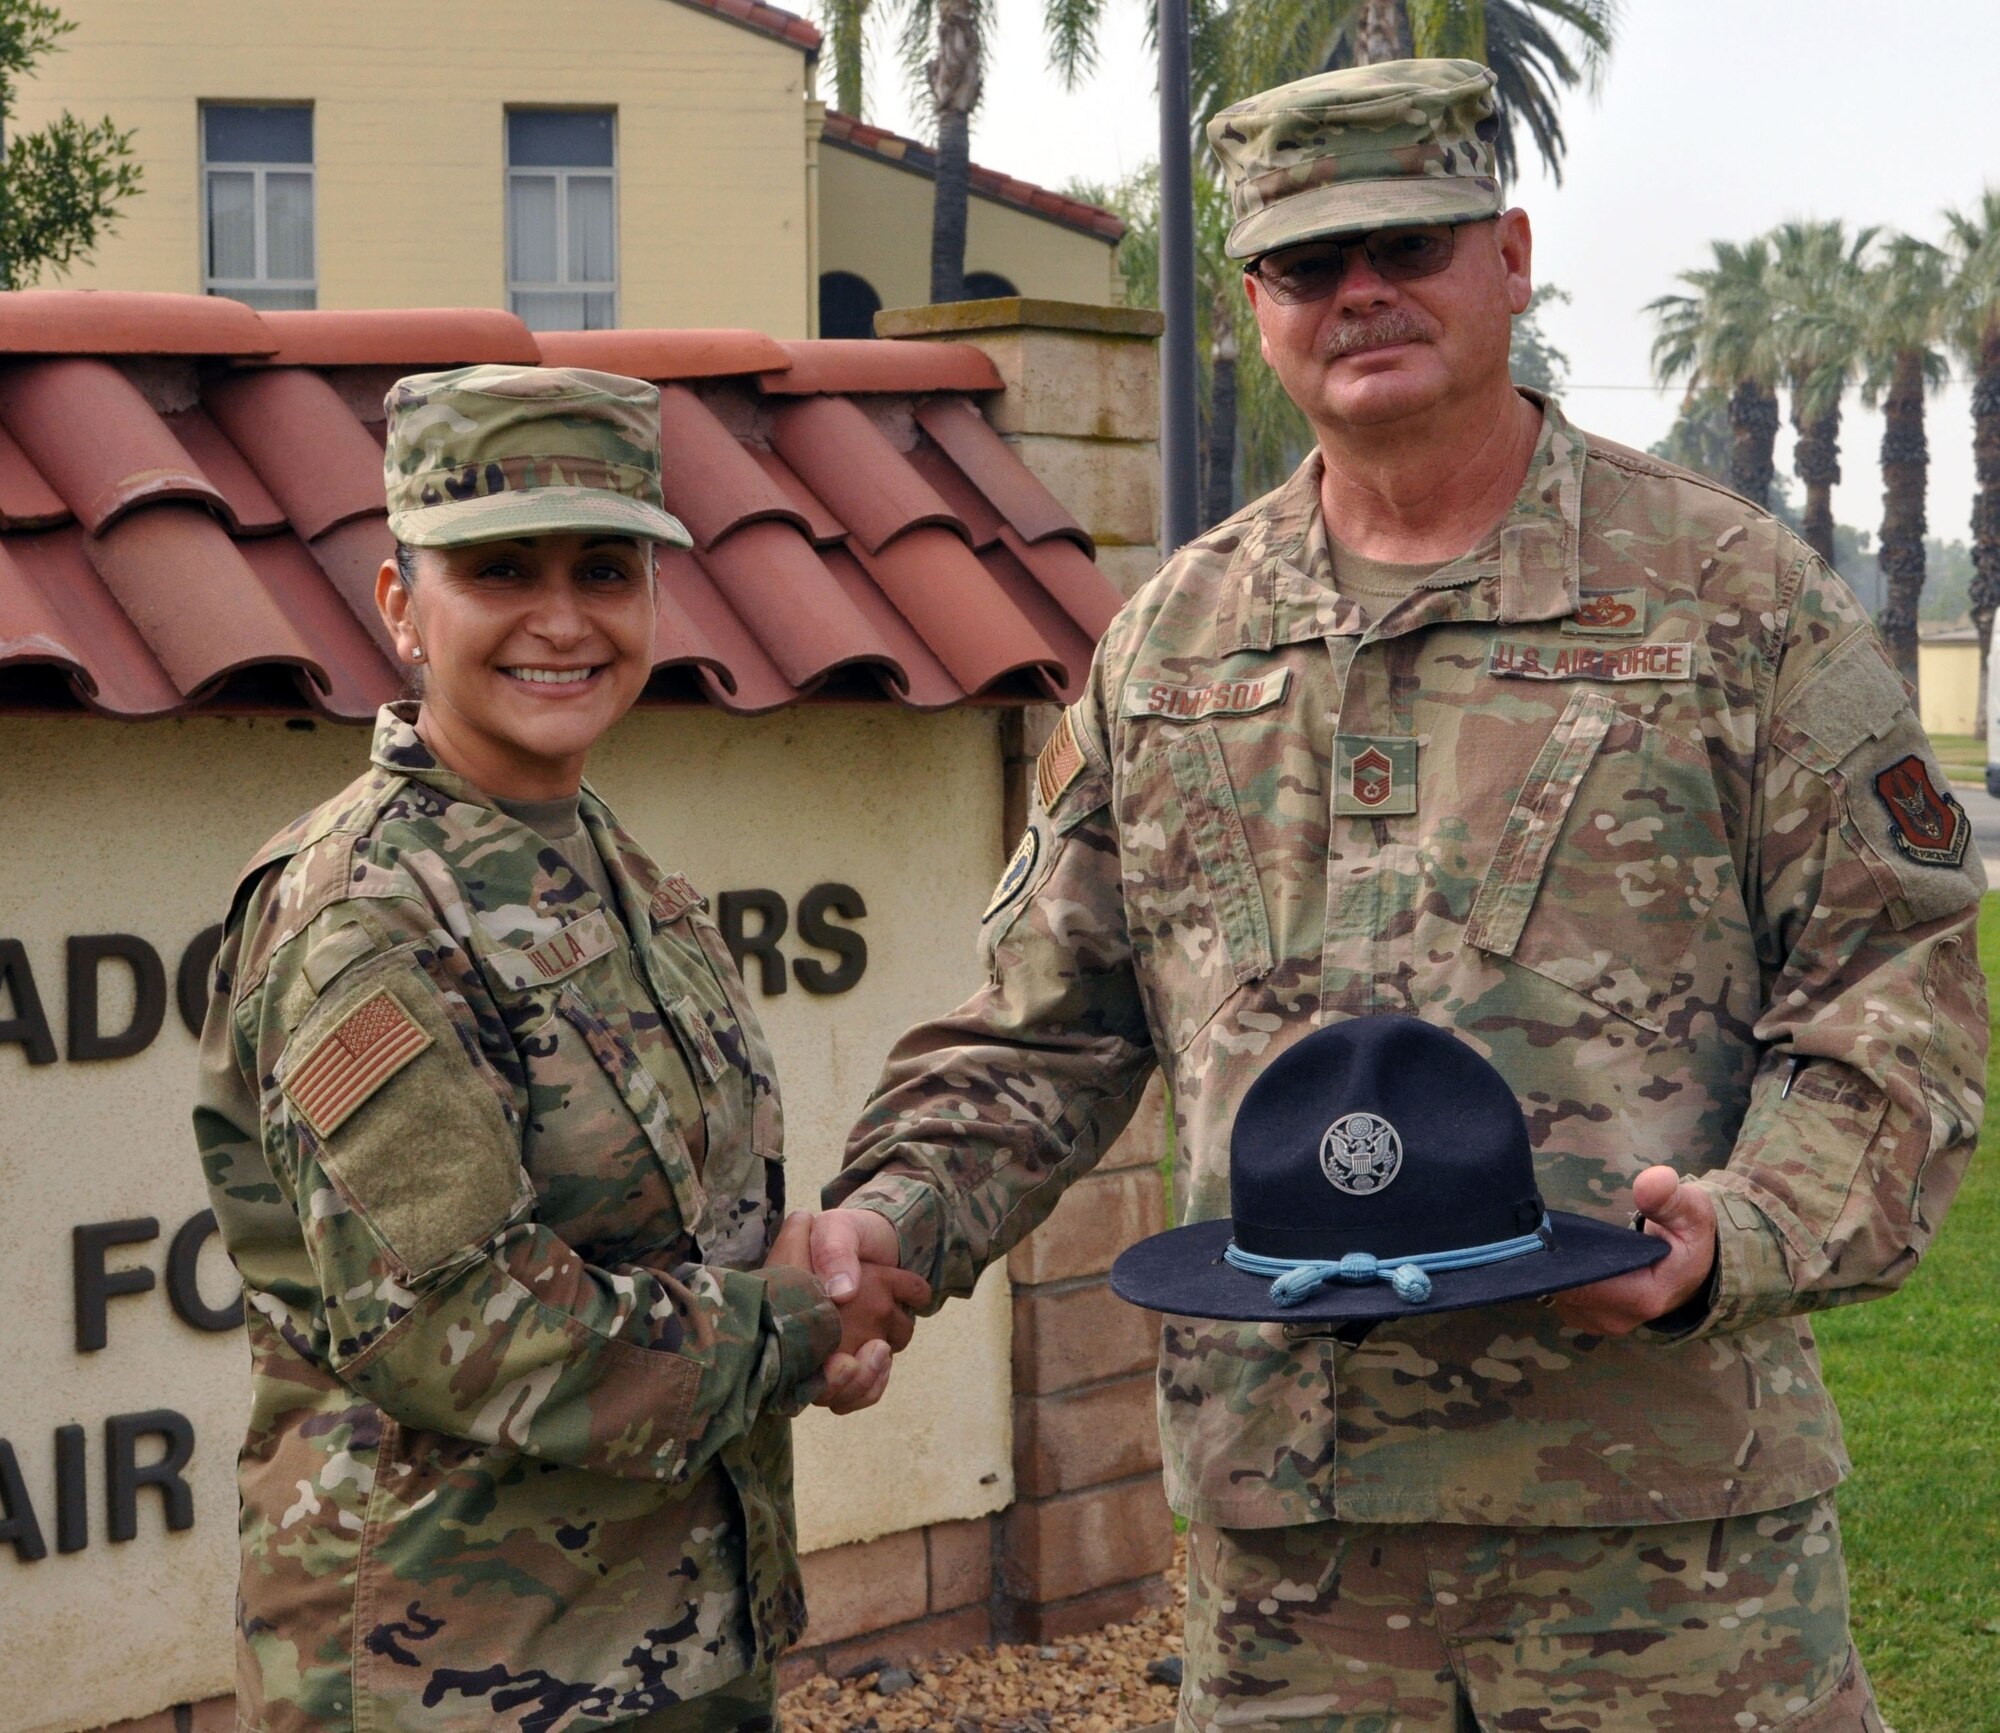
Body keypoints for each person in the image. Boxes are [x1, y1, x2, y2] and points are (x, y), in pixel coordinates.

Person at [814, 59, 1988, 1732]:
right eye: (1308, 261)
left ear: (1508, 255)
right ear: (1255, 306)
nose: (1360, 289)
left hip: (1661, 1544)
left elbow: (1899, 997)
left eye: (1410, 241)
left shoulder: (1731, 602)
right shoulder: (1176, 646)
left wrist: (1751, 1225)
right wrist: (888, 1226)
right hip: (1294, 1552)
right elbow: (1044, 1029)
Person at [193, 364, 926, 1733]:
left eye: (606, 567)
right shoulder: (363, 914)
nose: (562, 617)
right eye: (499, 568)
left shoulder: (609, 872)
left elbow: (695, 1238)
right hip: (460, 1674)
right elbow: (463, 1322)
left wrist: (804, 1289)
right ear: (402, 606)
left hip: (669, 1643)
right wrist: (791, 1326)